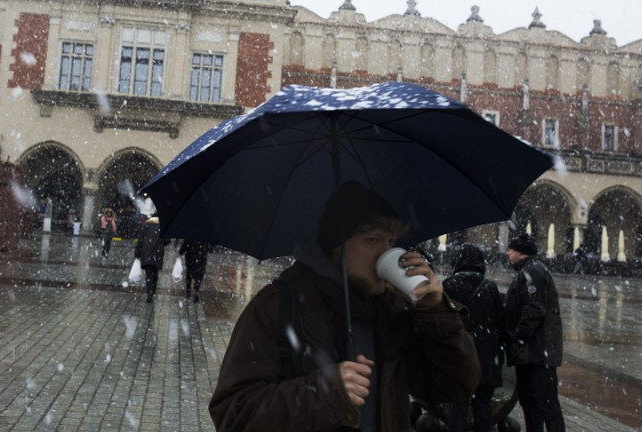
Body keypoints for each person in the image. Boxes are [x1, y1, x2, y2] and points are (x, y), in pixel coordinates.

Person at [209, 181, 481, 431]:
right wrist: (322, 394)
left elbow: (454, 385)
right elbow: (234, 414)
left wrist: (436, 312)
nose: (386, 253)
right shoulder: (277, 306)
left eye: (391, 242)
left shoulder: (391, 309)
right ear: (335, 246)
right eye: (372, 240)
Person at [504, 233, 566, 432]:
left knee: (546, 403)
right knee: (530, 403)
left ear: (521, 252)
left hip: (538, 353)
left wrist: (517, 336)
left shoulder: (534, 273)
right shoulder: (528, 271)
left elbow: (534, 310)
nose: (507, 253)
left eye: (511, 249)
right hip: (531, 353)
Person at [443, 243, 506, 432]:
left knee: (458, 405)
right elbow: (501, 323)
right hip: (488, 356)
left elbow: (441, 321)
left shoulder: (449, 285)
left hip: (460, 353)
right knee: (483, 405)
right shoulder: (490, 287)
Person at [134, 215, 166, 303]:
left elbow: (140, 240)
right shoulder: (162, 227)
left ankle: (149, 293)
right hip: (157, 253)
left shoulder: (146, 226)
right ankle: (153, 291)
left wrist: (137, 252)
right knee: (155, 273)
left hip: (147, 252)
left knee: (149, 273)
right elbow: (167, 241)